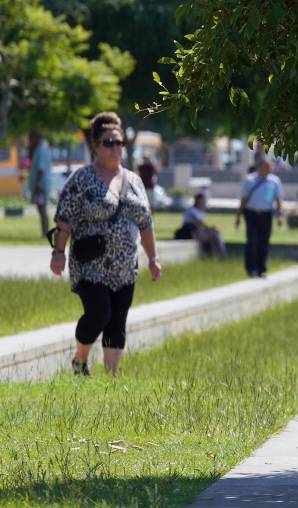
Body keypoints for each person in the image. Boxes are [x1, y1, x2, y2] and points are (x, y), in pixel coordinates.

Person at [49, 112, 161, 377]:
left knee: (117, 320)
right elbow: (64, 220)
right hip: (90, 265)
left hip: (125, 267)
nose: (115, 148)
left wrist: (153, 258)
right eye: (109, 143)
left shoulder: (134, 181)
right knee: (100, 313)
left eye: (119, 143)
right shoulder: (81, 179)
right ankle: (80, 360)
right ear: (96, 147)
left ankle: (111, 378)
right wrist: (58, 253)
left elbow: (145, 223)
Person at [235, 158, 283, 278]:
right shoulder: (250, 180)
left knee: (264, 241)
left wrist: (279, 215)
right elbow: (243, 199)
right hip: (251, 213)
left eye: (270, 167)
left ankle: (261, 269)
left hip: (267, 214)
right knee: (252, 241)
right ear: (260, 167)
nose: (269, 169)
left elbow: (278, 199)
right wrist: (238, 216)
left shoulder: (274, 181)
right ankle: (251, 268)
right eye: (267, 167)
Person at [175, 193, 226, 257]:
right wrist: (209, 228)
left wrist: (210, 229)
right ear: (197, 201)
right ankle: (222, 255)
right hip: (190, 232)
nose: (203, 203)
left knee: (216, 234)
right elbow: (198, 222)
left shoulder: (201, 212)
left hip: (198, 231)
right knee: (215, 234)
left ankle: (217, 255)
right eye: (201, 201)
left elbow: (201, 225)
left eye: (203, 201)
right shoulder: (191, 210)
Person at [28, 131, 53, 239]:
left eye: (31, 138)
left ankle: (45, 232)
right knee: (41, 208)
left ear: (36, 137)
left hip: (41, 185)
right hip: (40, 185)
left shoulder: (41, 150)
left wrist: (38, 184)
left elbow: (41, 169)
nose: (30, 141)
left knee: (42, 209)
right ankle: (44, 232)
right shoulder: (41, 148)